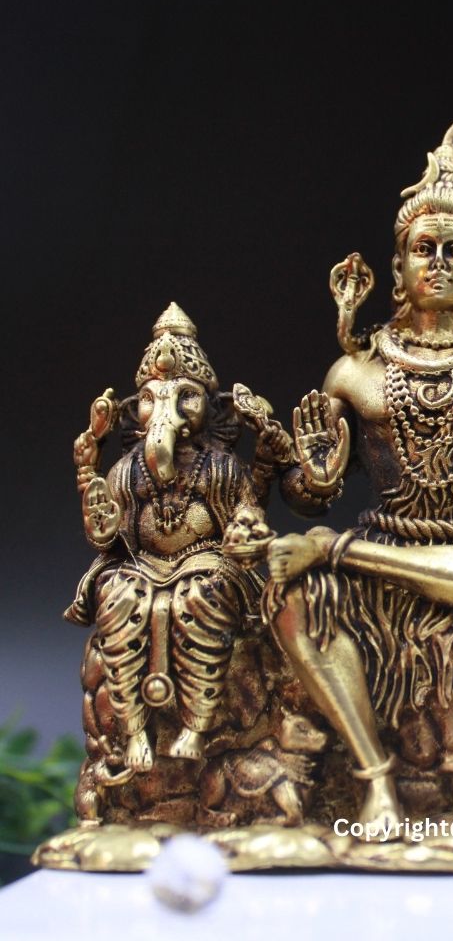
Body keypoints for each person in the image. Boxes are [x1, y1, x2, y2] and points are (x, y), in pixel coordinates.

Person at [266, 117, 453, 832]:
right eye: (423, 249)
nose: (438, 263)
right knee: (295, 597)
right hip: (382, 550)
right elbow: (308, 499)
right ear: (398, 267)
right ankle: (376, 779)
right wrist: (317, 476)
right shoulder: (356, 371)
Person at [68, 304, 267, 771]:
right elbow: (109, 537)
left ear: (211, 407)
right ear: (135, 410)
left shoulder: (221, 467)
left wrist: (247, 532)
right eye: (152, 398)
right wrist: (88, 479)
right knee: (115, 595)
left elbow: (246, 514)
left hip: (204, 559)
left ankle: (197, 726)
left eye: (186, 397)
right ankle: (135, 731)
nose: (167, 411)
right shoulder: (126, 471)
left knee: (204, 596)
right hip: (141, 564)